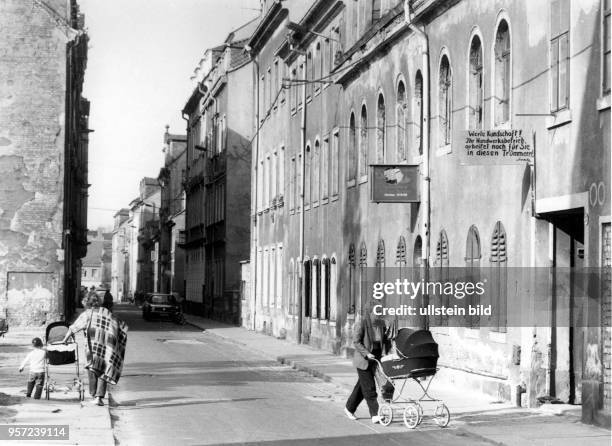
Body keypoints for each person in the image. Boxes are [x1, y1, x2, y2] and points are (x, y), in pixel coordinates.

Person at [61, 293, 128, 406]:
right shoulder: (107, 313)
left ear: (87, 303)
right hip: (107, 349)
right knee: (104, 370)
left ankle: (94, 394)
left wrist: (65, 339)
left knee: (92, 369)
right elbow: (120, 326)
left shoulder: (87, 314)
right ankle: (99, 397)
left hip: (93, 348)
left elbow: (74, 327)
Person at [344, 304, 392, 424]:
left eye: (381, 311)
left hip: (376, 359)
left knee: (362, 387)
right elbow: (356, 341)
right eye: (377, 312)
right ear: (370, 312)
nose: (379, 314)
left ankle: (349, 408)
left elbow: (385, 340)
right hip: (363, 360)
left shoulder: (381, 324)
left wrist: (387, 352)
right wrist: (366, 353)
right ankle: (375, 414)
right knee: (369, 387)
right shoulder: (362, 323)